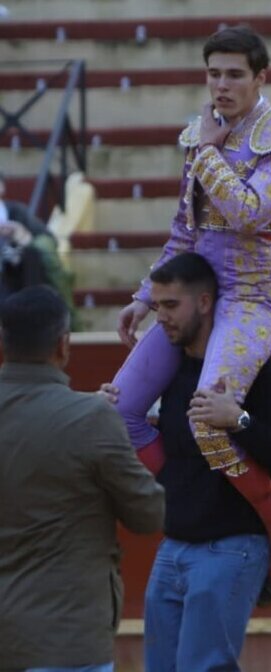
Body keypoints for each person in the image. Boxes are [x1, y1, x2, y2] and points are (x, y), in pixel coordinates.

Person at [110, 25, 271, 604]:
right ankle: (188, 498)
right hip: (195, 293)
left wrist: (207, 150)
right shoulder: (201, 133)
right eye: (213, 73)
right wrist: (145, 297)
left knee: (208, 417)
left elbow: (249, 213)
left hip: (252, 299)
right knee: (122, 412)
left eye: (233, 74)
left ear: (260, 77)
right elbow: (186, 231)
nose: (221, 85)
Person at [99, 252, 271, 670]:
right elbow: (167, 452)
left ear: (205, 302)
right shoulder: (171, 371)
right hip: (173, 545)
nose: (162, 318)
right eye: (157, 306)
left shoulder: (258, 371)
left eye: (171, 305)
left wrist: (238, 420)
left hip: (232, 546)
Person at [0, 285, 165, 671]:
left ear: (3, 342)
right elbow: (148, 514)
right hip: (67, 636)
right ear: (63, 344)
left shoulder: (88, 416)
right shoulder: (91, 419)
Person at [0, 172, 74, 315]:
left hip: (15, 282)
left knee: (33, 254)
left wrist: (23, 237)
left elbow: (49, 240)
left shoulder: (16, 212)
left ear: (2, 187)